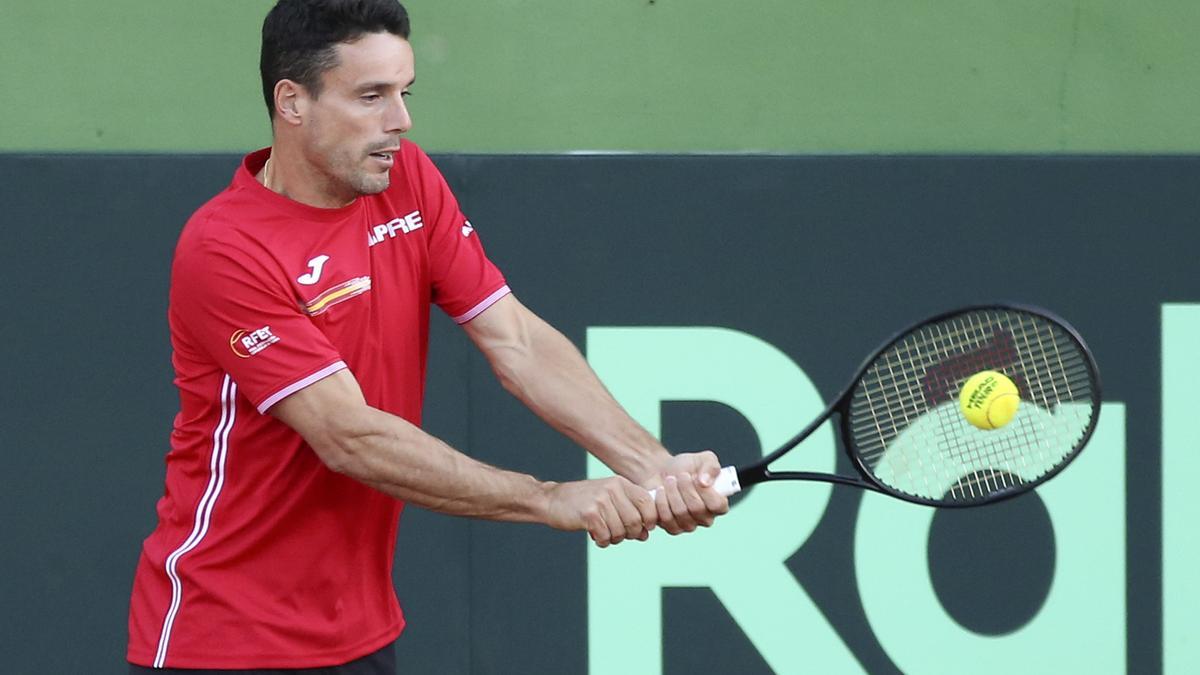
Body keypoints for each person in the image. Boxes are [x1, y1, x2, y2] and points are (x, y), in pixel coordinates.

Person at [126, 0, 729, 671]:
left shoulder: (406, 180)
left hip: (359, 632)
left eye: (404, 92)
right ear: (292, 102)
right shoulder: (225, 248)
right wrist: (551, 498)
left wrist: (651, 465)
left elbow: (518, 342)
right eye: (371, 96)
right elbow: (348, 435)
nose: (400, 121)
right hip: (224, 638)